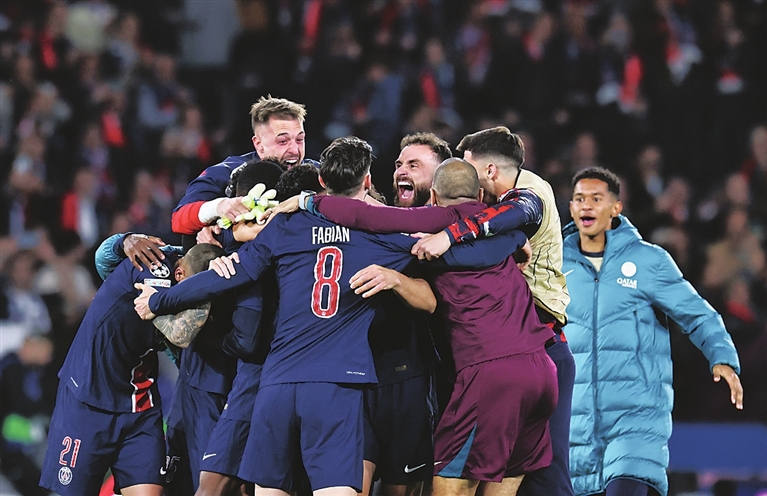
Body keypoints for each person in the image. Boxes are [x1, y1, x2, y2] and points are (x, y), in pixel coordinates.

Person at [133, 136, 519, 495]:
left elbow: (228, 273)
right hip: (336, 386)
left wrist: (161, 300)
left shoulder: (284, 225)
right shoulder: (382, 237)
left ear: (321, 180)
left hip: (276, 384)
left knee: (267, 491)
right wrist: (513, 241)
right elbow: (442, 248)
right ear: (367, 181)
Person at [563, 167, 744, 496]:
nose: (586, 205)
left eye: (596, 199)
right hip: (577, 427)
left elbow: (696, 313)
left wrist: (722, 356)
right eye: (579, 199)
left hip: (636, 420)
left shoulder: (648, 261)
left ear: (616, 207)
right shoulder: (556, 265)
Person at [39, 242, 225, 496]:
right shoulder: (154, 267)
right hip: (89, 397)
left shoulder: (185, 270)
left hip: (139, 402)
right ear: (180, 274)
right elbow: (180, 334)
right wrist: (122, 240)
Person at [170, 95, 311, 246]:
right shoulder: (227, 172)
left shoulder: (316, 173)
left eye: (299, 139)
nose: (294, 150)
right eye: (283, 141)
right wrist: (218, 207)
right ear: (259, 144)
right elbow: (178, 219)